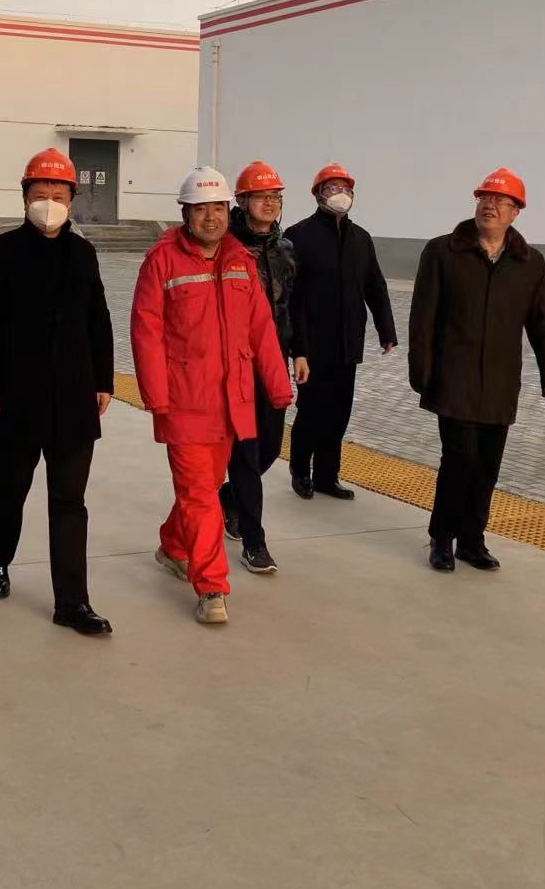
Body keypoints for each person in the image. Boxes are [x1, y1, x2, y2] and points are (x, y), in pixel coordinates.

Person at [131, 167, 293, 626]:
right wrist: (156, 395)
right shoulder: (162, 261)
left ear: (228, 210)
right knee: (201, 493)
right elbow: (146, 330)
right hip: (184, 400)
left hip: (231, 402)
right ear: (185, 213)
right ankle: (212, 586)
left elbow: (261, 328)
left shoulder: (240, 260)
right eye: (201, 209)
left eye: (218, 208)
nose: (211, 217)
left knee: (202, 485)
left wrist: (277, 385)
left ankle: (173, 545)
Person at [0, 148, 116, 636]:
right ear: (24, 197)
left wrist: (104, 379)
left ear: (72, 198)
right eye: (40, 194)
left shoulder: (84, 255)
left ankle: (72, 602)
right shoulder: (0, 252)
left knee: (70, 500)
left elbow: (98, 319)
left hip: (74, 398)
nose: (49, 203)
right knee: (10, 486)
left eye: (58, 194)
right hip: (16, 397)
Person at [408, 168, 545, 573]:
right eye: (484, 199)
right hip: (454, 378)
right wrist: (420, 368)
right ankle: (442, 538)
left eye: (500, 201)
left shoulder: (529, 263)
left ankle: (472, 540)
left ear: (516, 212)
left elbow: (542, 321)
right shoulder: (442, 252)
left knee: (487, 465)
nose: (489, 206)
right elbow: (423, 316)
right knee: (459, 459)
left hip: (500, 380)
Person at [285, 162, 398, 502]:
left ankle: (326, 476)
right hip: (312, 344)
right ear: (318, 194)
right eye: (333, 188)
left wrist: (386, 329)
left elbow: (374, 285)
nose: (341, 195)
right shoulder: (298, 236)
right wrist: (297, 349)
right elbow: (292, 299)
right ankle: (300, 472)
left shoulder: (361, 238)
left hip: (348, 342)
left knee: (339, 412)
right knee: (311, 410)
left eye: (346, 189)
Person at [219, 161, 300, 575]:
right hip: (237, 363)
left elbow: (292, 306)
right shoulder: (227, 247)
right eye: (261, 197)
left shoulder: (285, 249)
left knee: (269, 447)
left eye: (275, 197)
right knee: (247, 454)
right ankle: (255, 541)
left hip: (275, 360)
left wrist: (299, 352)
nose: (270, 204)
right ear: (242, 201)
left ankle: (229, 497)